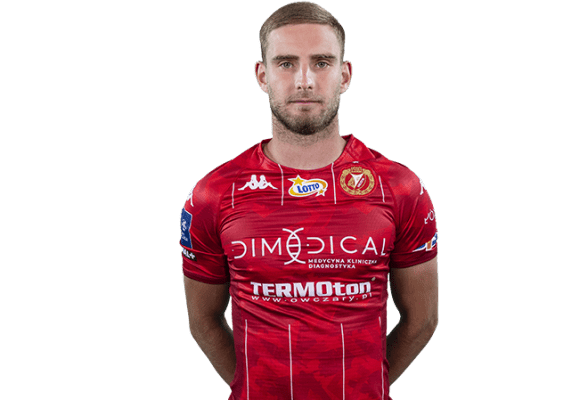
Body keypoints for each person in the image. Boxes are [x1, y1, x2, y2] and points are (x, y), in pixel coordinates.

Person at [180, 2, 439, 399]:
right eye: (286, 63)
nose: (304, 80)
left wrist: (366, 386)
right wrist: (255, 387)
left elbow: (422, 321)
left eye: (321, 62)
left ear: (345, 75)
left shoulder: (401, 188)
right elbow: (202, 321)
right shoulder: (213, 194)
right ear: (262, 75)